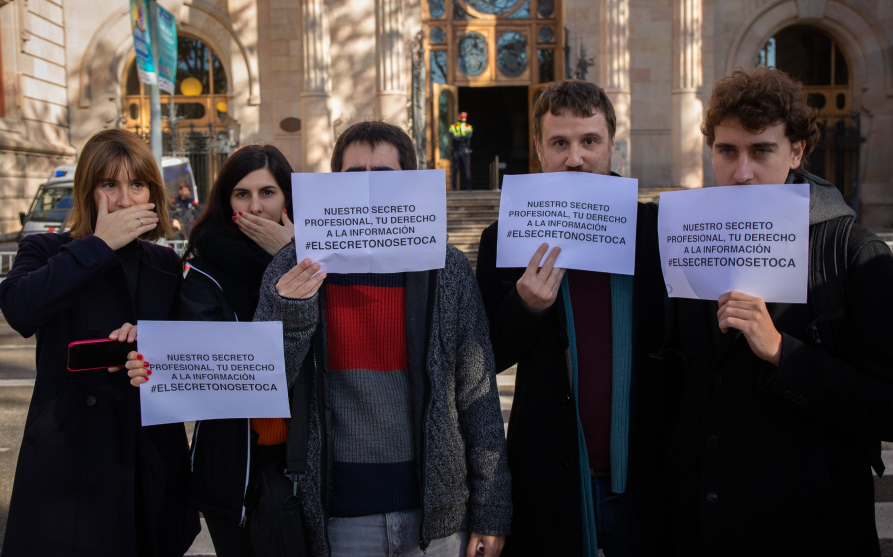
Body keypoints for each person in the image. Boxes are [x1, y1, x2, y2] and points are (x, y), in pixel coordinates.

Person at [662, 66, 893, 555]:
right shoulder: (685, 242)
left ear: (797, 151)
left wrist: (784, 353)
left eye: (761, 150)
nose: (742, 172)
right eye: (727, 151)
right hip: (706, 529)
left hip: (810, 528)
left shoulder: (855, 253)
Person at [253, 121, 511, 557]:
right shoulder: (293, 266)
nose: (368, 186)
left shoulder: (446, 268)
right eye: (355, 175)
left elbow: (478, 398)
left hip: (437, 520)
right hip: (338, 520)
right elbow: (263, 381)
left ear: (409, 181)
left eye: (384, 175)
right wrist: (292, 313)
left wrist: (491, 511)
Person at [474, 79, 668, 556]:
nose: (575, 158)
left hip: (647, 476)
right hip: (551, 478)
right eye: (560, 143)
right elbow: (482, 359)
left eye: (589, 141)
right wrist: (524, 308)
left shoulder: (658, 232)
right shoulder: (504, 238)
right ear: (539, 148)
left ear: (612, 145)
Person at [0, 129, 200, 556]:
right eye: (109, 184)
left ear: (153, 194)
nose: (125, 200)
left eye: (137, 184)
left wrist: (153, 344)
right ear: (87, 191)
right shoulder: (47, 249)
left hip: (147, 454)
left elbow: (193, 351)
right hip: (73, 454)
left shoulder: (165, 262)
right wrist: (99, 244)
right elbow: (19, 309)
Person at [179, 145, 294, 555]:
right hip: (231, 461)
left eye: (268, 192)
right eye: (242, 194)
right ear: (226, 201)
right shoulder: (203, 268)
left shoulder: (316, 260)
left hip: (302, 454)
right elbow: (225, 363)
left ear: (287, 198)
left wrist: (292, 256)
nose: (256, 207)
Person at [449, 111, 473, 190]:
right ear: (458, 117)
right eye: (461, 117)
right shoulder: (453, 126)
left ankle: (468, 188)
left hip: (465, 150)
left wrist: (458, 136)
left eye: (464, 117)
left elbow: (468, 137)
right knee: (455, 170)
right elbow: (453, 137)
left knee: (466, 169)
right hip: (456, 150)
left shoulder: (468, 126)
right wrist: (462, 138)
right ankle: (454, 188)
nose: (463, 119)